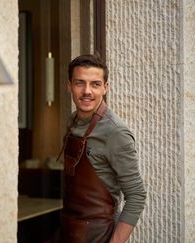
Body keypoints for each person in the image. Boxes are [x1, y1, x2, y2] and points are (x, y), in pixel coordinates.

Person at [57, 54, 147, 242]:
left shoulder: (116, 133)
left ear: (105, 88)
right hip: (68, 232)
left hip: (99, 235)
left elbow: (136, 195)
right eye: (80, 83)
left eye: (95, 84)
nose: (87, 91)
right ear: (69, 86)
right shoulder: (72, 121)